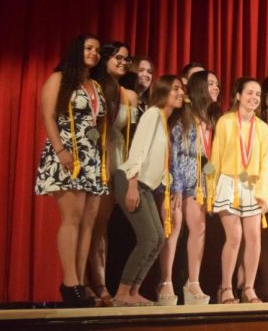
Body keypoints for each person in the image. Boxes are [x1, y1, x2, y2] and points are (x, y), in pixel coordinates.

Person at [34, 35, 107, 307]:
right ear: (78, 51)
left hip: (91, 158)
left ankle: (81, 283)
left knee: (88, 221)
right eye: (89, 48)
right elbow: (48, 115)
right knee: (72, 218)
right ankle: (70, 282)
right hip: (67, 153)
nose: (94, 53)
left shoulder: (95, 84)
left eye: (98, 50)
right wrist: (61, 151)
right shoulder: (60, 78)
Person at [111, 75, 184, 306]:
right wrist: (132, 186)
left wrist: (170, 187)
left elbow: (158, 162)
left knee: (159, 239)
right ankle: (122, 292)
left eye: (181, 90)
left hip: (146, 186)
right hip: (131, 181)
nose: (180, 93)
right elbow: (138, 150)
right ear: (163, 91)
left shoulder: (165, 121)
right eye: (175, 89)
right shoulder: (153, 114)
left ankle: (133, 291)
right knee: (148, 238)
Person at [156, 70, 222, 306]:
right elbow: (172, 149)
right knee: (173, 228)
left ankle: (193, 283)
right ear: (199, 87)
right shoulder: (183, 113)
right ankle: (165, 282)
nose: (216, 88)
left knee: (199, 228)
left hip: (200, 182)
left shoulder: (213, 117)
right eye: (211, 84)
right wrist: (174, 185)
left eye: (217, 84)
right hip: (177, 178)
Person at [208, 77, 268, 304]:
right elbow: (214, 158)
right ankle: (225, 288)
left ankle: (248, 288)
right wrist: (209, 189)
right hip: (228, 183)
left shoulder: (263, 128)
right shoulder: (225, 122)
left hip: (252, 186)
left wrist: (264, 194)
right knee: (234, 236)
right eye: (250, 93)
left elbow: (267, 162)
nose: (254, 97)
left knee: (254, 237)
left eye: (257, 94)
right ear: (238, 95)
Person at [88, 41, 141, 307]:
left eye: (126, 59)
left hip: (119, 160)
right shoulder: (94, 89)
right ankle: (92, 286)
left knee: (106, 226)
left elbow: (133, 138)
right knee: (93, 225)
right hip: (95, 158)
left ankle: (107, 285)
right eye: (117, 57)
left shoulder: (130, 95)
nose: (122, 62)